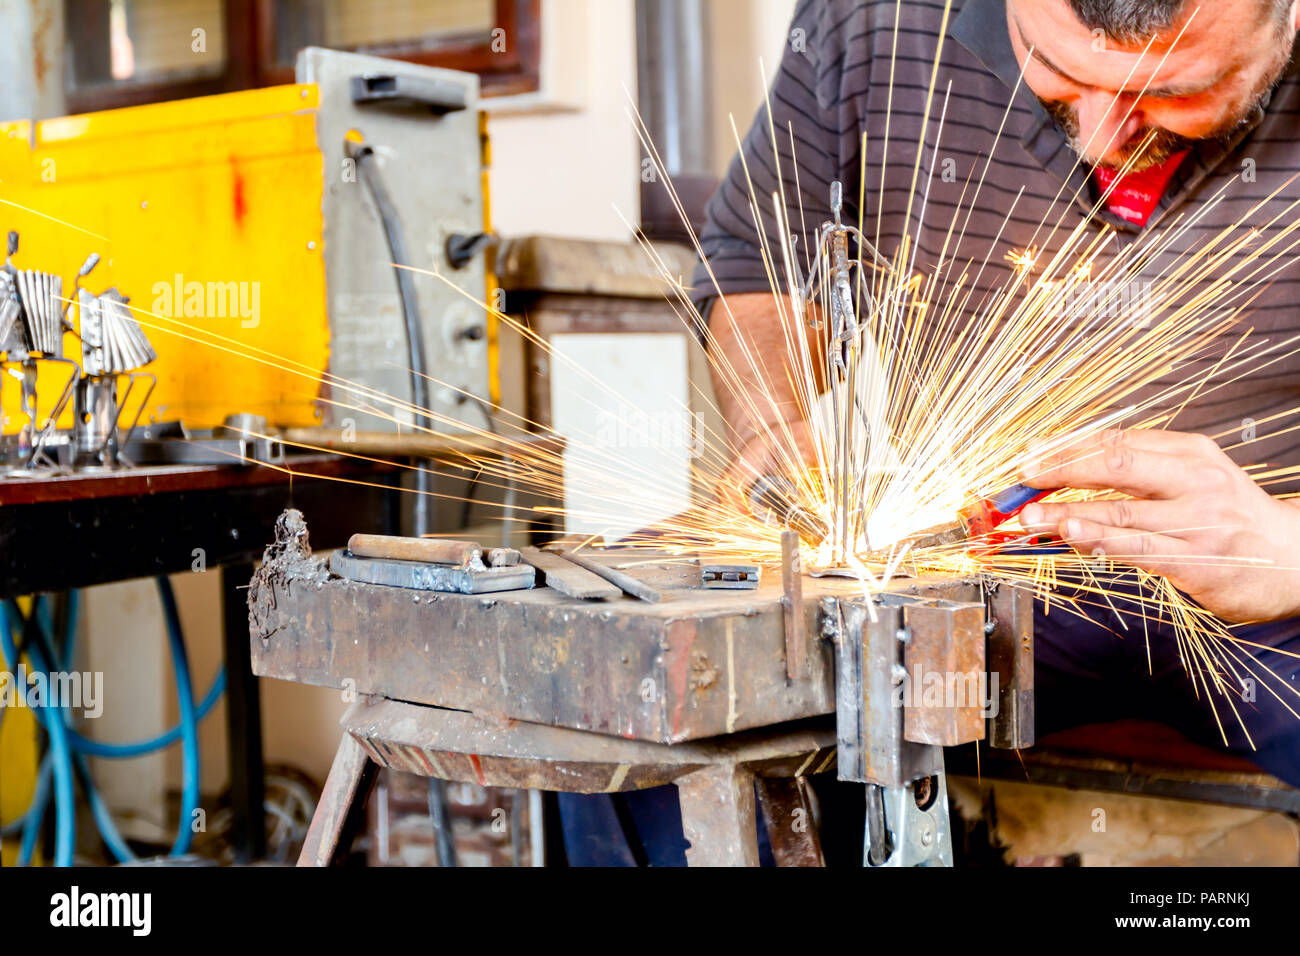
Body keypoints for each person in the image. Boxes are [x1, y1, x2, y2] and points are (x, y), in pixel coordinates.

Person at [558, 0, 1300, 864]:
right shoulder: (871, 18)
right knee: (649, 695)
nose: (1101, 138)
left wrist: (1285, 547)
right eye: (1056, 70)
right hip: (967, 571)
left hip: (1270, 596)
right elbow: (761, 257)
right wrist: (785, 425)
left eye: (1176, 89)